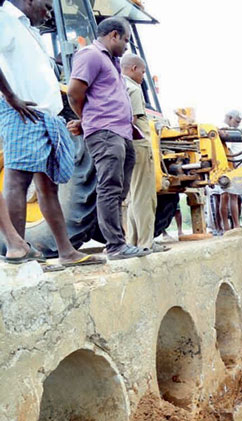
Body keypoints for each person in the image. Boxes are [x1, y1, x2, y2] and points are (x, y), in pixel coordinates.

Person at [0, 0, 104, 267]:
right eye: (46, 5)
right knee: (18, 179)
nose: (48, 12)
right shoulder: (5, 18)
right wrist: (11, 97)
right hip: (24, 110)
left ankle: (66, 251)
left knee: (48, 186)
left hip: (45, 114)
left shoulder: (28, 28)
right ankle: (17, 248)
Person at [67, 17, 147, 260]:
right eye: (125, 40)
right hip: (106, 132)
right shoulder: (90, 55)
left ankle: (118, 240)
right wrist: (88, 120)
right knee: (109, 187)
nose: (126, 46)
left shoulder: (110, 62)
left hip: (122, 133)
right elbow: (74, 92)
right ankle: (115, 246)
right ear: (113, 35)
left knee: (119, 189)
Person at [120, 53, 167, 252]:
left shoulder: (118, 85)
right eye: (142, 71)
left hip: (126, 146)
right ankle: (146, 243)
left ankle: (133, 241)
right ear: (133, 69)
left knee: (132, 196)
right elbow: (132, 120)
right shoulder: (133, 88)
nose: (143, 76)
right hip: (139, 145)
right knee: (145, 196)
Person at [218, 110, 242, 231]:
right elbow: (229, 151)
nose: (237, 124)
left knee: (233, 196)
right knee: (225, 196)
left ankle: (235, 225)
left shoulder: (233, 131)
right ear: (229, 118)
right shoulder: (222, 128)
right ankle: (227, 226)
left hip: (232, 166)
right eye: (236, 121)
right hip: (224, 166)